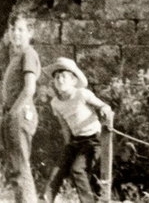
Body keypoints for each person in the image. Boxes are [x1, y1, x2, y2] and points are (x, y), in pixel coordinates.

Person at [43, 57, 114, 203]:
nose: (60, 80)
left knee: (77, 169)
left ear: (73, 80)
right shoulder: (55, 103)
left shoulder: (82, 94)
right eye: (56, 77)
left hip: (94, 139)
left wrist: (104, 110)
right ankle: (46, 199)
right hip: (76, 141)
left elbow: (104, 106)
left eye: (64, 76)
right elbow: (64, 126)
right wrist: (68, 147)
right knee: (59, 168)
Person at [1, 10, 42, 203]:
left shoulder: (28, 54)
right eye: (12, 29)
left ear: (30, 32)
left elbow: (29, 88)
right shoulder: (17, 56)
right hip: (13, 114)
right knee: (15, 166)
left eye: (20, 29)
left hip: (20, 114)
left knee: (20, 167)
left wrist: (13, 112)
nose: (15, 33)